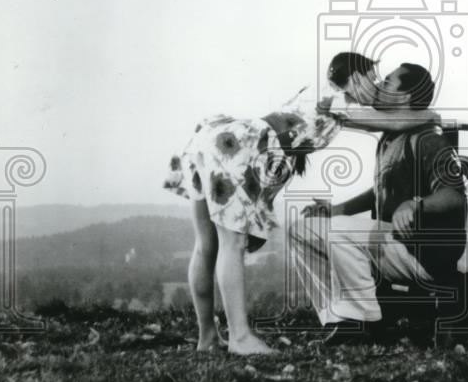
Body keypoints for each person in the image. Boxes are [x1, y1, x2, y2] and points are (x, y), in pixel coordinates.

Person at [163, 52, 439, 355]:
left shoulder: (322, 96)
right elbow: (393, 122)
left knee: (206, 245)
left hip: (216, 139)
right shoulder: (336, 98)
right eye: (373, 79)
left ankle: (208, 337)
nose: (376, 87)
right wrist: (431, 116)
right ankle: (240, 338)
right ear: (356, 79)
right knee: (232, 244)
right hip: (238, 150)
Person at [291, 63, 468, 344]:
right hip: (393, 243)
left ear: (406, 97)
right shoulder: (391, 136)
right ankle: (340, 319)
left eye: (388, 82)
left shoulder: (428, 139)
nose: (379, 87)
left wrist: (414, 205)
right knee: (302, 229)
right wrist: (336, 210)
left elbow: (454, 196)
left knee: (338, 230)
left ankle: (362, 323)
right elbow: (381, 189)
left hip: (425, 254)